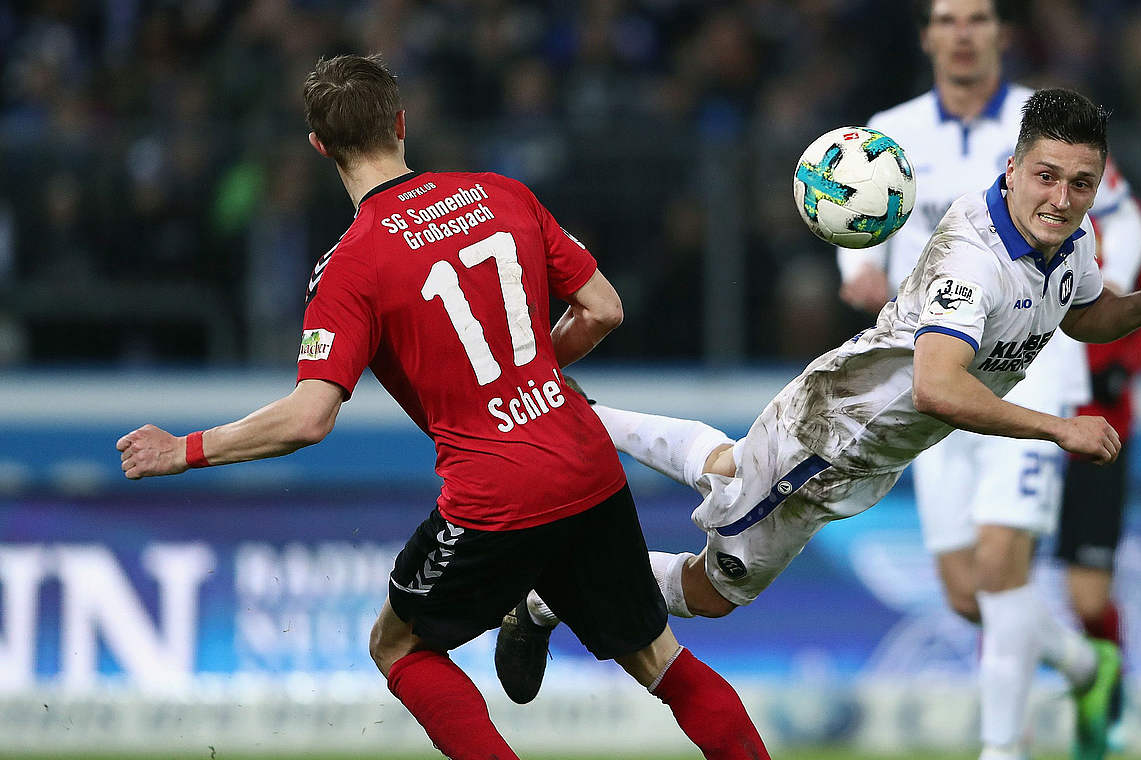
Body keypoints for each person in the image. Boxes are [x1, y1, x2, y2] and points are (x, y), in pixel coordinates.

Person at [498, 87, 1141, 760]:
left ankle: (577, 410)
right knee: (714, 591)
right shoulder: (973, 264)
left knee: (734, 468)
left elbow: (1078, 310)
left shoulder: (1069, 243)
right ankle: (545, 594)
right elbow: (937, 387)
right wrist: (1058, 428)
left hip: (848, 426)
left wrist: (1140, 307)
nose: (1063, 199)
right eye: (1047, 177)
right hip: (830, 442)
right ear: (1012, 171)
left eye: (1081, 183)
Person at [116, 54, 770, 760]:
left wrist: (185, 449)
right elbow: (604, 309)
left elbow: (310, 417)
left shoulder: (350, 264)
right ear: (401, 123)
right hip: (584, 460)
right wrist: (535, 374)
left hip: (496, 493)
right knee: (661, 663)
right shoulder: (501, 194)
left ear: (319, 149)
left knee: (395, 645)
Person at [835, 2, 1139, 756]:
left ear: (1000, 34)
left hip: (1034, 372)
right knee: (968, 594)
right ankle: (1081, 662)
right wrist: (859, 267)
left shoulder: (1048, 128)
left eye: (977, 17)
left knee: (1004, 572)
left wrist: (1096, 293)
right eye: (947, 18)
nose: (963, 31)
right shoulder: (893, 129)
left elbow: (1121, 220)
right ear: (928, 36)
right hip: (938, 375)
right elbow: (854, 213)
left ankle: (1003, 749)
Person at [1057, 162, 1141, 704]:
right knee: (987, 585)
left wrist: (1124, 364)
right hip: (1018, 424)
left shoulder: (1127, 216)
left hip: (1100, 430)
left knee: (1088, 600)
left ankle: (1103, 703)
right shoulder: (1014, 206)